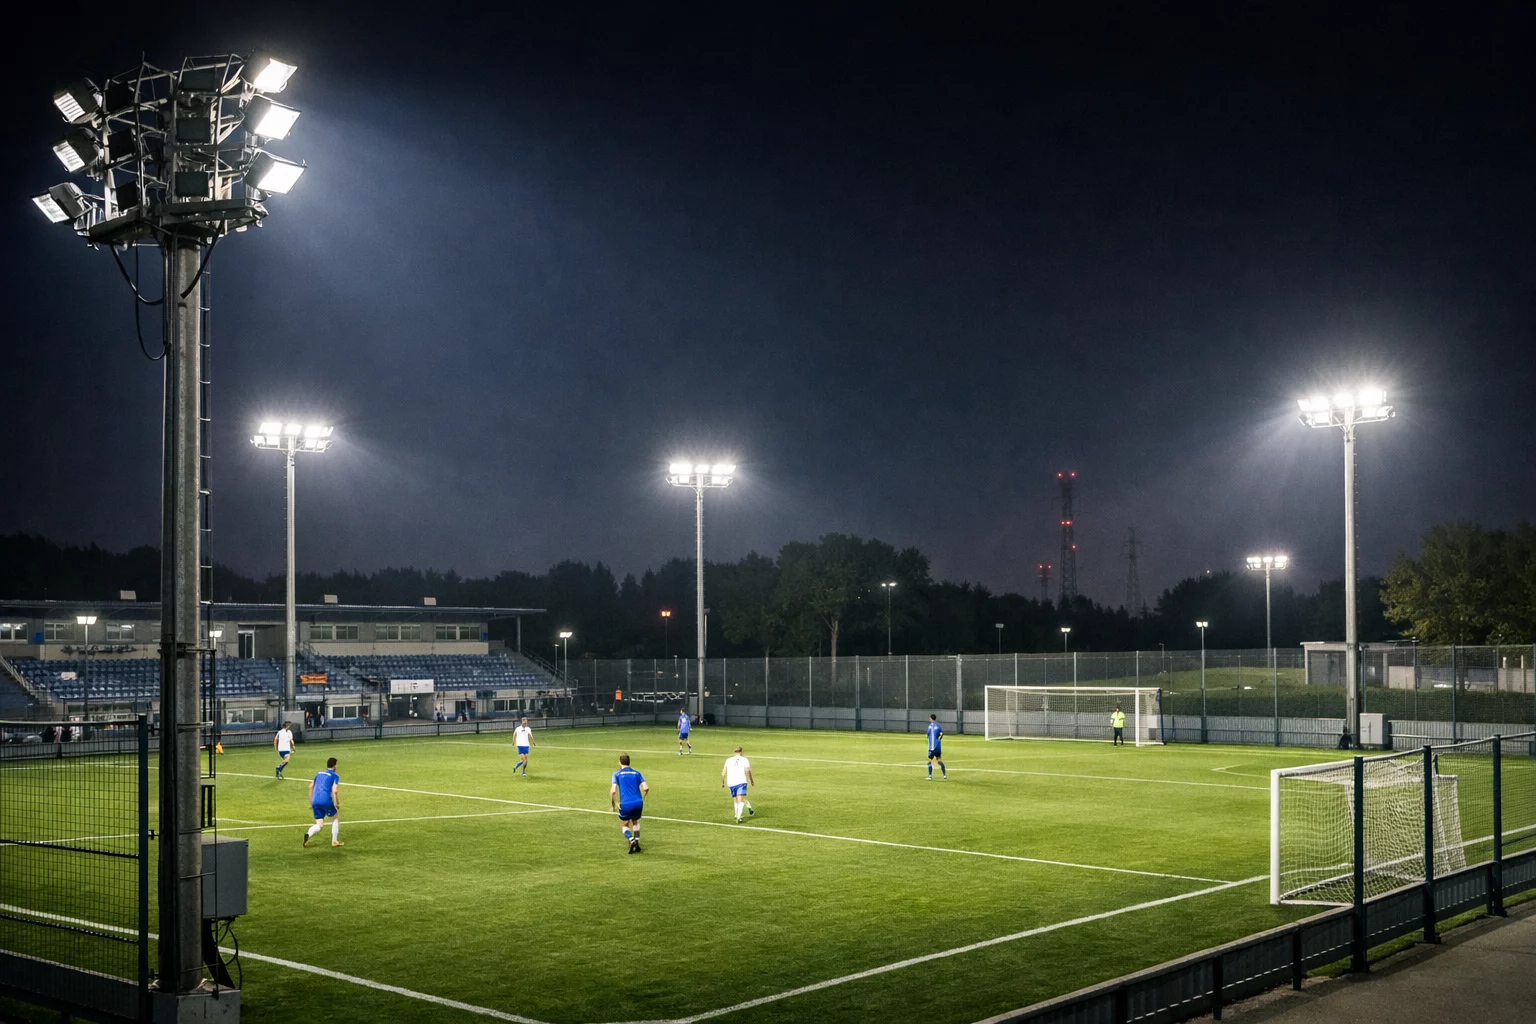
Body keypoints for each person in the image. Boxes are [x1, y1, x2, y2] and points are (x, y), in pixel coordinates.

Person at [609, 754, 649, 854]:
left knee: (624, 823)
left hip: (626, 803)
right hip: (638, 802)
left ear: (619, 762)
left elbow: (613, 791)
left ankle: (631, 839)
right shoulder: (637, 773)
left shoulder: (617, 774)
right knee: (635, 821)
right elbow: (646, 788)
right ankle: (637, 840)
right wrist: (643, 797)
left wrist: (613, 805)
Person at [305, 756, 343, 848]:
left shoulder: (319, 773)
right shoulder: (335, 775)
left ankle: (308, 835)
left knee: (319, 824)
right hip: (325, 800)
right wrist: (337, 803)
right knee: (335, 817)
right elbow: (335, 790)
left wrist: (311, 802)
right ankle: (334, 841)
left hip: (315, 801)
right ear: (334, 766)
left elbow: (310, 786)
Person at [721, 746, 755, 821]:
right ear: (741, 751)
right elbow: (748, 771)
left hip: (731, 782)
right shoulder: (745, 759)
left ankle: (737, 815)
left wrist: (722, 782)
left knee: (736, 799)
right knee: (740, 800)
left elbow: (723, 773)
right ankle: (739, 816)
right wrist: (751, 780)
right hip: (741, 781)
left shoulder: (728, 760)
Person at [926, 714, 947, 780]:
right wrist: (938, 740)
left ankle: (930, 776)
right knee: (939, 761)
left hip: (932, 748)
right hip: (938, 748)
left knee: (929, 761)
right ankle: (944, 775)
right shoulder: (938, 726)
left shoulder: (930, 726)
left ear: (931, 719)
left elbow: (927, 735)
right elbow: (941, 734)